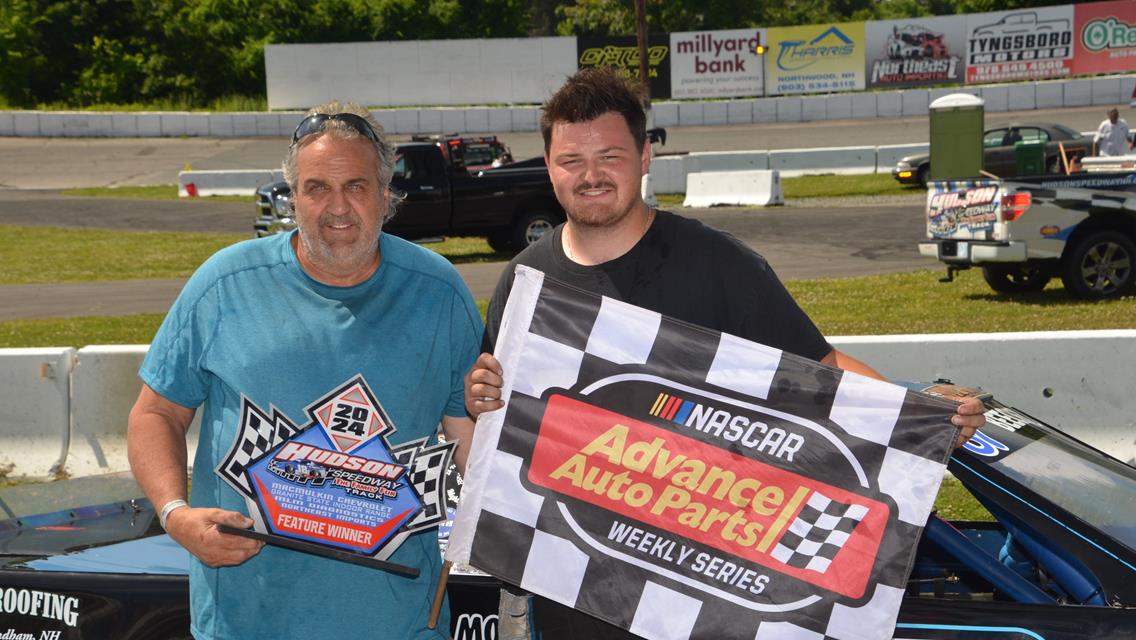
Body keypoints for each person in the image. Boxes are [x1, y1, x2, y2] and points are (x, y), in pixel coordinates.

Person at [462, 67, 986, 640]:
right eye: (571, 161)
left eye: (610, 156)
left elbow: (823, 372)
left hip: (698, 597)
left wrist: (922, 415)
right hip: (571, 598)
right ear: (548, 167)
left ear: (644, 158)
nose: (590, 176)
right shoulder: (527, 280)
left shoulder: (717, 265)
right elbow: (505, 415)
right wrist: (482, 396)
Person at [127, 101, 482, 639]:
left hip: (398, 621)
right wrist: (176, 515)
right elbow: (155, 413)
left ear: (387, 196)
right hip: (247, 623)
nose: (336, 207)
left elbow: (469, 443)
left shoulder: (439, 292)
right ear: (293, 198)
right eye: (316, 188)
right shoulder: (225, 284)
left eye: (356, 187)